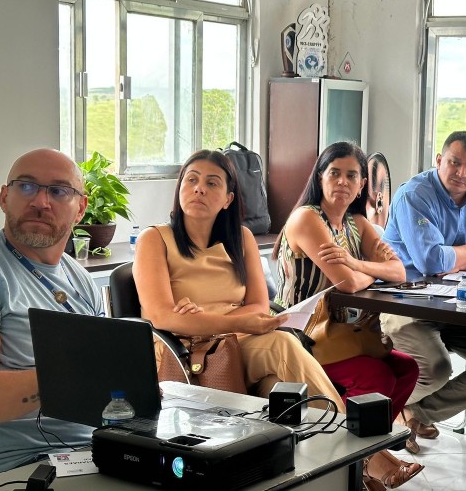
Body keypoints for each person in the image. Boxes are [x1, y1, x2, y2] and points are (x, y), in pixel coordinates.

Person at [133, 150, 343, 410]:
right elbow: (162, 316)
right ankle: (360, 446)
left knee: (279, 387)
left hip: (232, 344)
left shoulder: (242, 239)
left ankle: (344, 444)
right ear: (180, 188)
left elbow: (258, 307)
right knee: (281, 356)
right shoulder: (154, 239)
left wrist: (200, 320)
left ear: (227, 199)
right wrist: (231, 320)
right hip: (180, 352)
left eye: (212, 183)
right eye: (192, 180)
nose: (199, 189)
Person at [273, 142, 423, 489]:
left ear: (361, 186)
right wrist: (370, 270)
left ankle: (364, 455)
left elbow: (398, 271)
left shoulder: (356, 223)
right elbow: (346, 283)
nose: (342, 181)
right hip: (300, 334)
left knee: (405, 369)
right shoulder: (307, 218)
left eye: (351, 175)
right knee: (376, 377)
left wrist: (356, 263)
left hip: (343, 335)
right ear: (320, 178)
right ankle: (362, 458)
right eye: (334, 173)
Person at [381, 131, 466, 450]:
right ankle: (378, 418)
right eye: (454, 163)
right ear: (439, 160)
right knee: (434, 368)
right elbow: (430, 262)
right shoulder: (415, 194)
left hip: (459, 306)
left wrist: (458, 256)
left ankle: (415, 414)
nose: (461, 173)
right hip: (405, 301)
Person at [0, 149, 104, 477]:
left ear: (80, 208)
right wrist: (72, 375)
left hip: (96, 453)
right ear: (4, 197)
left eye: (58, 190)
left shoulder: (82, 281)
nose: (40, 201)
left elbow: (104, 373)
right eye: (26, 186)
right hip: (18, 465)